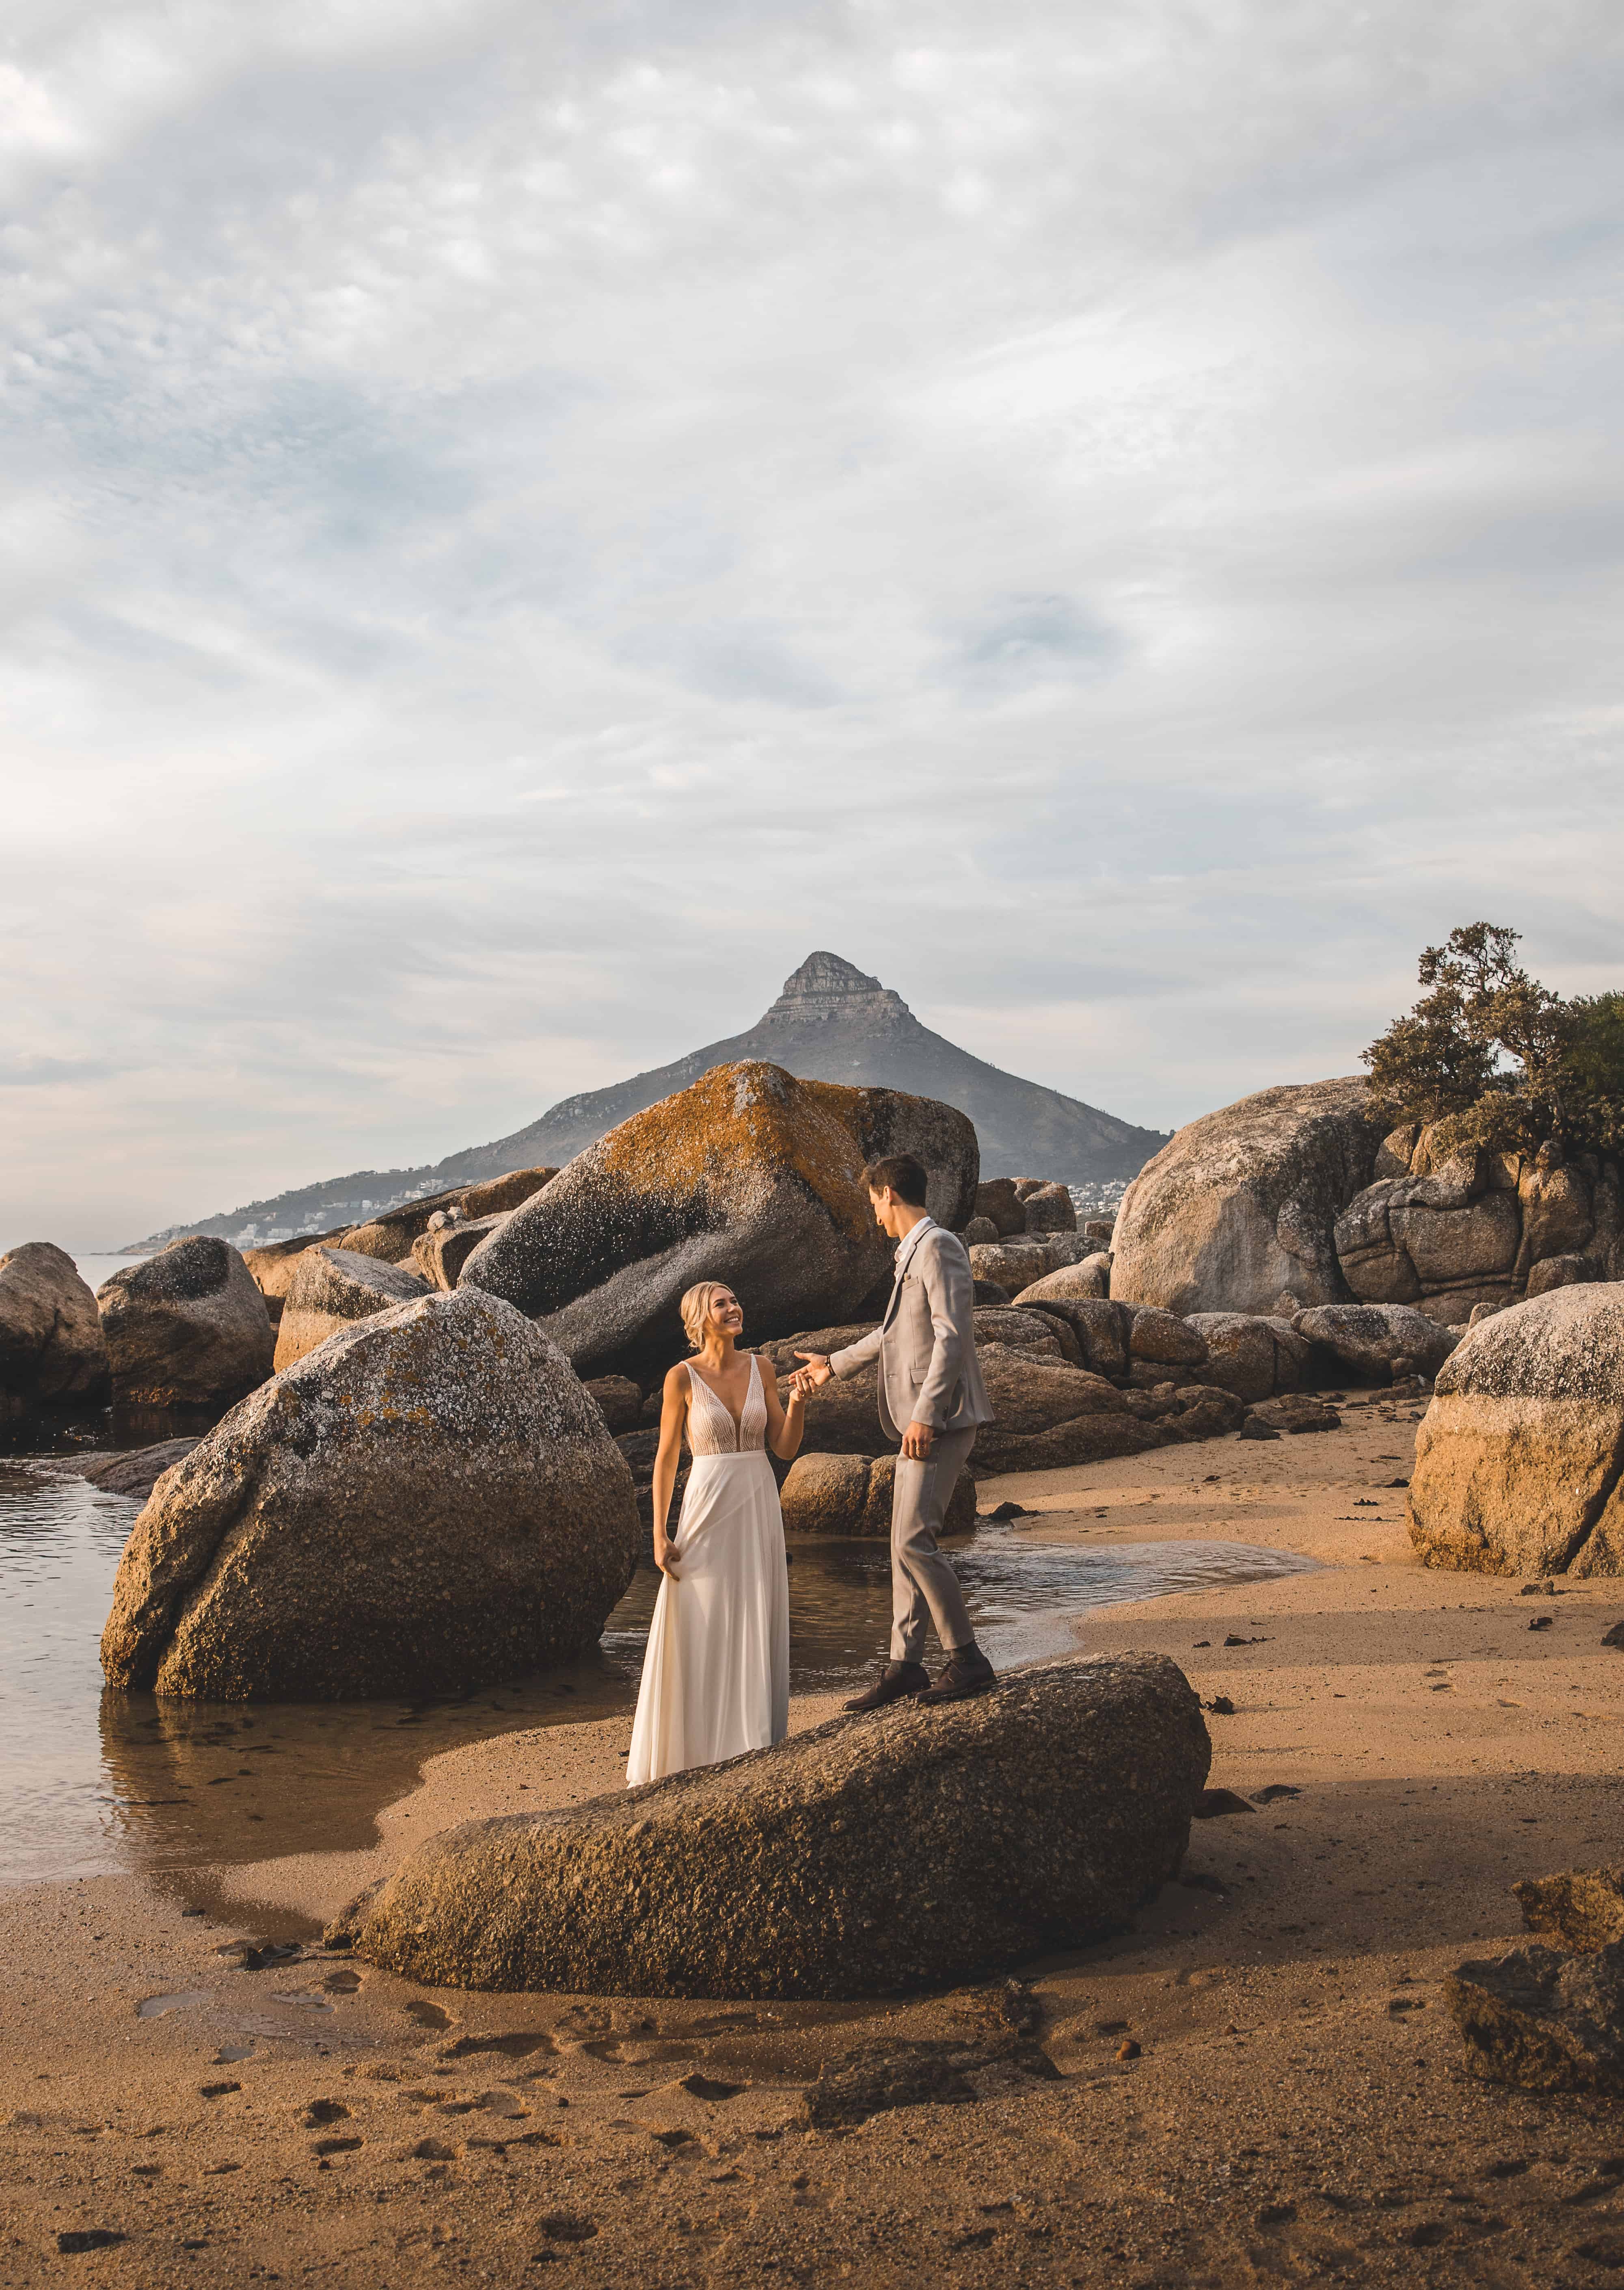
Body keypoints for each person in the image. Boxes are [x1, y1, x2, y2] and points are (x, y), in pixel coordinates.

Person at [792, 1152, 997, 1707]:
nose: (875, 1217)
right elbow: (890, 1337)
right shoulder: (912, 1253)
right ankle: (905, 1667)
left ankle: (968, 1660)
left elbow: (952, 1338)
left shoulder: (939, 1247)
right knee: (900, 1542)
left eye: (874, 1205)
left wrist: (925, 1415)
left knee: (913, 1539)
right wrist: (830, 1365)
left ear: (888, 1194)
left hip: (941, 1418)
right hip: (920, 1418)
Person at [626, 1281, 805, 1785]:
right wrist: (658, 1534)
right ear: (699, 1318)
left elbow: (784, 1448)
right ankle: (691, 1748)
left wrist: (798, 1404)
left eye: (734, 1300)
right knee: (699, 1615)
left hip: (756, 1501)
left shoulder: (762, 1368)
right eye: (721, 1303)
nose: (734, 1307)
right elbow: (665, 1458)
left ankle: (750, 1741)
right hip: (706, 1503)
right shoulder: (680, 1378)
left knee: (753, 1608)